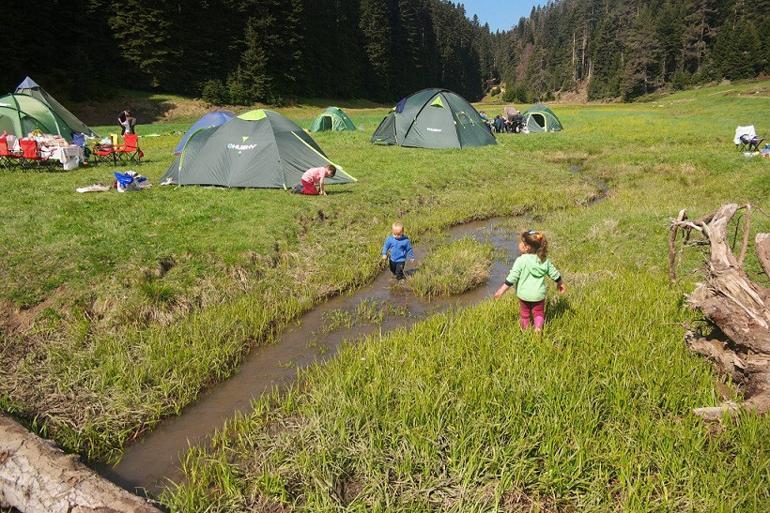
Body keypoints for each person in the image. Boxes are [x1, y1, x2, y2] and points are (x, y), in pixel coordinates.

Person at [494, 230, 566, 332]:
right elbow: (554, 274)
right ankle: (538, 329)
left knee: (524, 315)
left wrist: (501, 291)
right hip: (539, 294)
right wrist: (560, 283)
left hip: (524, 295)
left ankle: (525, 332)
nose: (519, 244)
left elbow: (512, 278)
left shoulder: (521, 260)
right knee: (539, 313)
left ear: (527, 247)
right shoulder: (544, 260)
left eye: (522, 242)